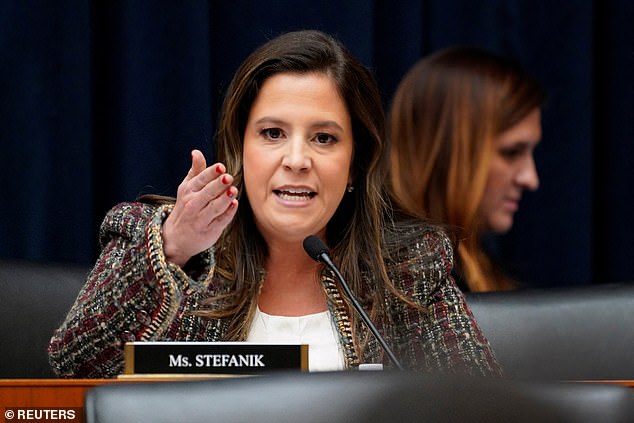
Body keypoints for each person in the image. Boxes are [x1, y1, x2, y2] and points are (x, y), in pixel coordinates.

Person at [48, 30, 500, 377]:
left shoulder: (405, 269)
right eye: (272, 134)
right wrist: (173, 247)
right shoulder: (161, 244)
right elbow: (75, 364)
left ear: (356, 165)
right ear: (239, 149)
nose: (297, 160)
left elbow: (479, 406)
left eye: (324, 138)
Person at [388, 46, 545, 292]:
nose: (531, 179)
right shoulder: (403, 284)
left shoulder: (470, 267)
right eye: (511, 152)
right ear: (448, 151)